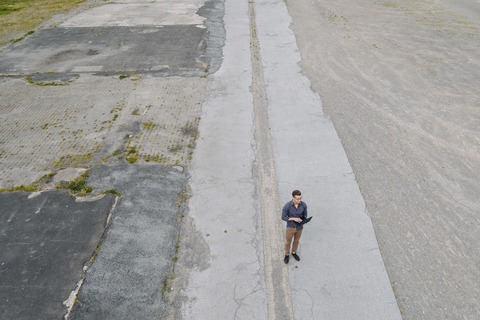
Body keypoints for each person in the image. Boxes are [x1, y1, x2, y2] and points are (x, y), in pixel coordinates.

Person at [281, 190, 308, 264]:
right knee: (288, 242)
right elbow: (283, 217)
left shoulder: (303, 205)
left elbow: (305, 215)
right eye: (297, 199)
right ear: (293, 197)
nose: (299, 200)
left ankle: (293, 252)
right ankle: (287, 254)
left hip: (299, 227)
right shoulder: (287, 206)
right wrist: (293, 218)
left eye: (300, 198)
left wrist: (304, 221)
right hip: (290, 227)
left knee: (296, 241)